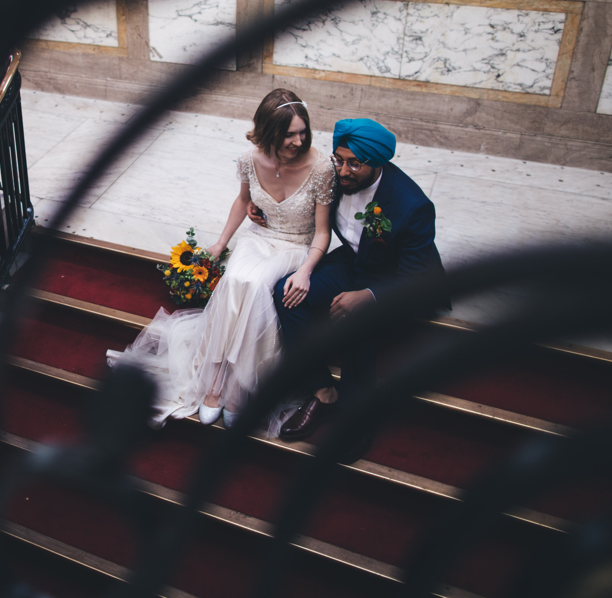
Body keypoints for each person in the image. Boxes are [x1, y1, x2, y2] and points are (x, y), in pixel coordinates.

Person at [107, 89, 335, 428]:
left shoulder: (321, 168)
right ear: (270, 130)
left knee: (256, 285)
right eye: (289, 134)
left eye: (303, 132)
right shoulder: (249, 159)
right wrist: (220, 243)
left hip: (295, 246)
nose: (298, 141)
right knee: (233, 279)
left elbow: (322, 232)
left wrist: (305, 271)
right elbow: (242, 201)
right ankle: (213, 383)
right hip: (258, 237)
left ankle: (239, 390)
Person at [256, 118, 447, 445]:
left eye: (355, 164)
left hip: (397, 279)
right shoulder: (335, 178)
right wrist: (259, 207)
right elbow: (298, 199)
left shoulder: (411, 205)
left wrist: (370, 296)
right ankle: (323, 390)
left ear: (378, 162)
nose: (343, 171)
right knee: (287, 292)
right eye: (339, 159)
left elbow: (419, 276)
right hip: (356, 262)